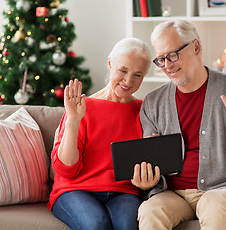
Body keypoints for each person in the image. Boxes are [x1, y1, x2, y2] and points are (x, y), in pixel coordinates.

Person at [131, 20, 226, 230]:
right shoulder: (153, 103)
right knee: (149, 210)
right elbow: (154, 169)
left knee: (212, 204)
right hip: (174, 194)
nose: (168, 65)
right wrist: (148, 180)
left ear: (196, 47)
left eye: (172, 55)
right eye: (161, 59)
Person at [48, 38, 151, 230]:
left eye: (138, 74)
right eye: (123, 70)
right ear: (110, 64)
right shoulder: (81, 108)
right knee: (96, 224)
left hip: (124, 191)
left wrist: (147, 180)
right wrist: (73, 121)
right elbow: (65, 169)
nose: (128, 80)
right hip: (75, 190)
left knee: (128, 226)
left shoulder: (145, 111)